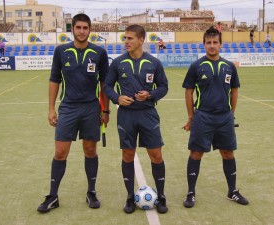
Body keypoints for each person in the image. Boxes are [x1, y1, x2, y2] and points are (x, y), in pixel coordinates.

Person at [37, 13, 110, 213]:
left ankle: (91, 192)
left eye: (85, 28)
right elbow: (54, 80)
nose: (81, 31)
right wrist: (51, 108)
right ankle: (53, 196)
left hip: (91, 108)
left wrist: (106, 109)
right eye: (78, 27)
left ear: (90, 30)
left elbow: (104, 84)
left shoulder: (99, 53)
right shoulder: (61, 51)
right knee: (60, 152)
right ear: (72, 29)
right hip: (68, 108)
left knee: (90, 151)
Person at [104, 24, 169, 214]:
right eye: (125, 38)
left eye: (130, 38)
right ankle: (130, 197)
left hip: (148, 114)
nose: (126, 42)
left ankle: (162, 196)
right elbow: (107, 86)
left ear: (141, 40)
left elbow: (164, 87)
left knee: (156, 155)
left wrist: (149, 95)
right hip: (126, 116)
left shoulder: (153, 63)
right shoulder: (117, 63)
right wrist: (117, 98)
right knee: (127, 155)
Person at [182, 26, 249, 208]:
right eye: (209, 42)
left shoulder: (229, 67)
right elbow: (188, 93)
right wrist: (191, 116)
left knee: (228, 153)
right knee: (196, 153)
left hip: (224, 118)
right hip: (202, 116)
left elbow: (234, 91)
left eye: (215, 42)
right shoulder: (196, 66)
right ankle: (190, 193)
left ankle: (232, 191)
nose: (212, 46)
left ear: (221, 44)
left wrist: (231, 114)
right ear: (204, 44)